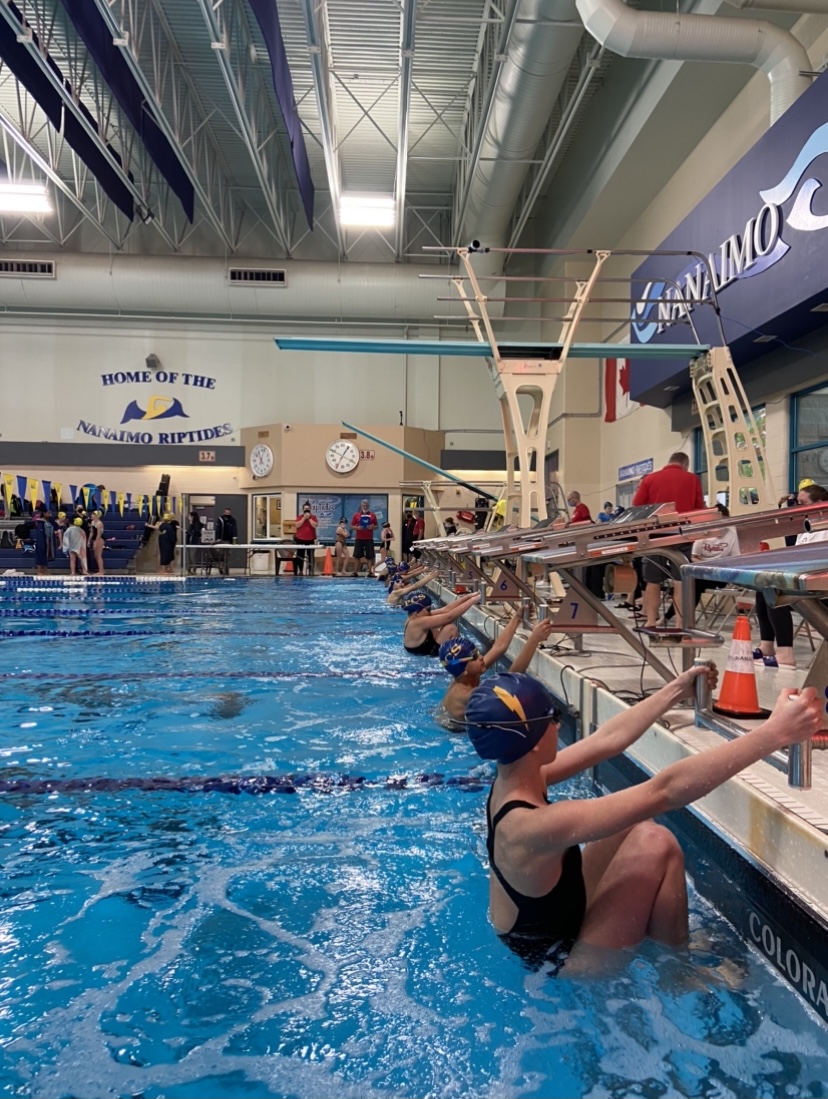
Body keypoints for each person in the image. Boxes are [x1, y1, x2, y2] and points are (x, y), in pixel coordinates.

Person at [464, 667, 823, 963]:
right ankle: (678, 971)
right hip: (559, 963)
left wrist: (676, 690)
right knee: (657, 842)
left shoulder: (515, 779)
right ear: (531, 741)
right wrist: (775, 733)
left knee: (632, 823)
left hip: (545, 924)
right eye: (553, 717)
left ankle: (666, 943)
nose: (559, 726)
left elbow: (607, 739)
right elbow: (666, 791)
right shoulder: (534, 826)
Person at [755, 483, 828, 668]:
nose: (798, 507)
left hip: (821, 584)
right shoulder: (807, 527)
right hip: (805, 578)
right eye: (797, 503)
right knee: (763, 587)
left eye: (802, 503)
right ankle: (767, 646)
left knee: (775, 590)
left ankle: (786, 654)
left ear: (819, 503)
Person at [438, 614, 555, 725]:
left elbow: (498, 647)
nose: (480, 657)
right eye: (474, 657)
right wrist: (534, 639)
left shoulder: (467, 674)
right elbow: (510, 681)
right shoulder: (467, 695)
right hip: (456, 730)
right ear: (464, 671)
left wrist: (517, 617)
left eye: (477, 652)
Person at [632, 452, 705, 628]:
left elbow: (637, 505)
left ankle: (650, 621)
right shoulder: (692, 479)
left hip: (655, 536)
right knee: (681, 581)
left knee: (652, 580)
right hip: (682, 534)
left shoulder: (650, 479)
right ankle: (680, 623)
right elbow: (699, 508)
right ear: (685, 464)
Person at [663, 503, 738, 624]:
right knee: (688, 583)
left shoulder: (732, 535)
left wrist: (717, 566)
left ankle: (675, 618)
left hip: (720, 575)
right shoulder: (703, 533)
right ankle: (681, 618)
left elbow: (735, 560)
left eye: (722, 521)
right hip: (702, 571)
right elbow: (694, 557)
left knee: (693, 584)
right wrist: (706, 565)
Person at [402, 589, 480, 656]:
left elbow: (446, 610)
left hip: (422, 649)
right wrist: (472, 601)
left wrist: (468, 597)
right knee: (450, 628)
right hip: (424, 654)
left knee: (439, 626)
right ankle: (458, 655)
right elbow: (449, 617)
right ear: (417, 612)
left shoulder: (414, 617)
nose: (430, 612)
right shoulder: (417, 622)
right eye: (428, 609)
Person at [351, 499, 378, 576]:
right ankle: (355, 572)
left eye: (366, 506)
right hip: (359, 538)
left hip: (369, 538)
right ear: (361, 506)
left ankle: (370, 572)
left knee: (370, 556)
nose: (365, 507)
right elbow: (352, 526)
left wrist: (372, 527)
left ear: (368, 506)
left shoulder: (372, 515)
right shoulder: (356, 515)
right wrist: (357, 528)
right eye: (363, 505)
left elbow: (376, 526)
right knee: (357, 555)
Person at [294, 501, 318, 576]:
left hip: (310, 539)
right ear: (303, 509)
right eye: (305, 509)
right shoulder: (299, 517)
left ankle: (311, 570)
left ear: (310, 509)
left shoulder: (313, 517)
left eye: (308, 509)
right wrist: (304, 518)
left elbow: (315, 525)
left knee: (310, 556)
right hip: (300, 539)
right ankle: (300, 570)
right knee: (300, 555)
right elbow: (297, 525)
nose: (306, 510)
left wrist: (309, 518)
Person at [213, 508, 238, 576]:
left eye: (229, 513)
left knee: (227, 556)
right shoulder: (220, 519)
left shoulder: (232, 520)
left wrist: (234, 540)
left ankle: (226, 570)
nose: (227, 514)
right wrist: (218, 538)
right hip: (221, 540)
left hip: (229, 540)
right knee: (221, 555)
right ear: (224, 513)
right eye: (226, 513)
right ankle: (221, 567)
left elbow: (234, 530)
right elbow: (218, 529)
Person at [89, 510, 105, 574]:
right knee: (95, 556)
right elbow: (92, 532)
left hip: (100, 539)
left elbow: (99, 534)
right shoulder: (92, 522)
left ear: (97, 516)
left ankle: (101, 571)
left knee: (98, 555)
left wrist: (96, 542)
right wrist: (88, 540)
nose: (91, 515)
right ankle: (101, 570)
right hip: (95, 539)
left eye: (93, 515)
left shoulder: (99, 524)